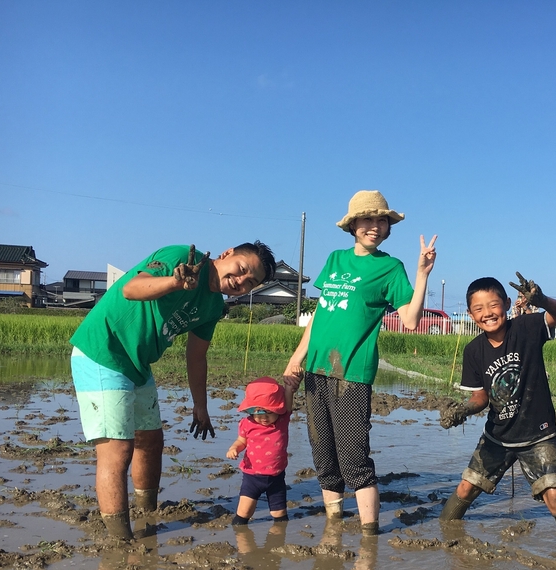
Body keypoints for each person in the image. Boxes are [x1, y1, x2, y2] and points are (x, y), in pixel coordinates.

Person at [70, 242, 277, 540]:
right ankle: (121, 540)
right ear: (227, 254)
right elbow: (131, 289)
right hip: (103, 350)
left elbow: (196, 356)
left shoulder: (214, 306)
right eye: (242, 269)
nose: (240, 281)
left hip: (138, 363)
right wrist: (175, 282)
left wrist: (200, 406)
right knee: (118, 449)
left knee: (151, 440)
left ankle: (148, 516)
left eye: (250, 283)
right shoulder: (182, 258)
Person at [284, 190, 437, 536]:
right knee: (323, 456)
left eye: (381, 220)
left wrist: (422, 273)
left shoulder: (389, 268)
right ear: (353, 225)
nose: (375, 226)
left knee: (354, 459)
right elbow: (320, 316)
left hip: (351, 374)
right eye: (368, 219)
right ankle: (333, 526)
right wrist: (296, 358)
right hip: (316, 371)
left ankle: (370, 538)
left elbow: (411, 320)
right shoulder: (335, 260)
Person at [437, 273, 556, 544]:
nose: (488, 314)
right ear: (471, 315)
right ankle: (442, 535)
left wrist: (541, 300)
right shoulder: (473, 351)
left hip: (538, 435)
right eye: (479, 309)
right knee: (465, 488)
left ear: (506, 303)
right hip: (498, 437)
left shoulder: (527, 328)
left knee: (555, 498)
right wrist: (463, 411)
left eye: (493, 305)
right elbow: (481, 397)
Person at [226, 376, 298, 525]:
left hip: (276, 477)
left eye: (269, 413)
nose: (264, 418)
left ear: (278, 409)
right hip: (252, 476)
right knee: (243, 514)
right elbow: (241, 441)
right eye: (259, 414)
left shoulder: (282, 420)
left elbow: (288, 400)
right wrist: (234, 448)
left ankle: (278, 542)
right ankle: (241, 541)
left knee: (280, 516)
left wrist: (290, 387)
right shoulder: (247, 423)